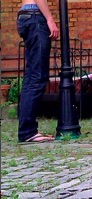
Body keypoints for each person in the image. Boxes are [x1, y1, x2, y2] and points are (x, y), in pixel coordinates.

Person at [17, 0, 59, 143]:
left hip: (26, 15)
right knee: (37, 76)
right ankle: (27, 131)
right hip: (35, 17)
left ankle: (27, 129)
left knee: (31, 77)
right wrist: (50, 19)